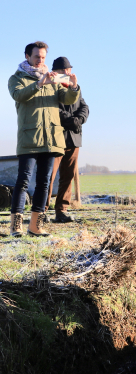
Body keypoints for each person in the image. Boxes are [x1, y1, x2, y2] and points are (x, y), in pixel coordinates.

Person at [8, 42, 80, 237]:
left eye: (43, 57)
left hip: (51, 139)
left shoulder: (54, 79)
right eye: (37, 57)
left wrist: (73, 87)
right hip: (29, 139)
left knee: (44, 183)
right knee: (23, 182)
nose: (40, 61)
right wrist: (40, 84)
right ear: (27, 57)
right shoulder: (17, 79)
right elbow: (19, 95)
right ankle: (16, 226)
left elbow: (68, 99)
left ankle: (35, 226)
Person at [46, 57, 89, 223]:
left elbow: (84, 106)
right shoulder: (50, 86)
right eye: (63, 71)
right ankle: (41, 211)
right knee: (49, 176)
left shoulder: (75, 88)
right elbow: (53, 109)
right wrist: (71, 121)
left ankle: (61, 211)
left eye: (68, 70)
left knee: (68, 176)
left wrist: (79, 119)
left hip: (74, 137)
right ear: (55, 72)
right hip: (56, 137)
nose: (67, 73)